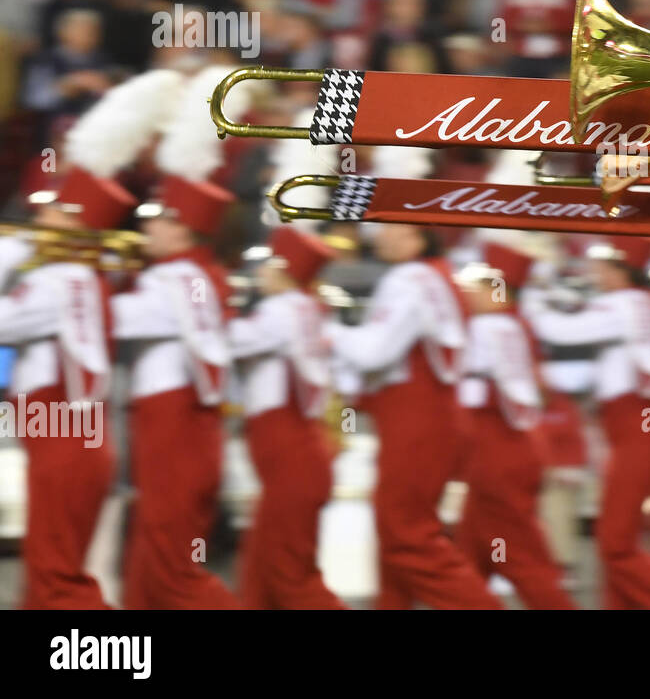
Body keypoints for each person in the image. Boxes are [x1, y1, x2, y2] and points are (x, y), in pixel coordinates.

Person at [326, 224, 500, 610]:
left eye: (393, 229)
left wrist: (330, 331)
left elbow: (373, 353)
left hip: (416, 422)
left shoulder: (410, 279)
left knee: (406, 534)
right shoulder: (436, 275)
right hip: (431, 417)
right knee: (399, 537)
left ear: (418, 237)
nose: (379, 236)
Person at [524, 240, 650, 609]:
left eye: (602, 267)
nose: (594, 274)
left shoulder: (624, 303)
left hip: (636, 432)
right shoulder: (641, 303)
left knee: (615, 541)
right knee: (623, 539)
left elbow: (560, 331)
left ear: (622, 269)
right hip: (640, 430)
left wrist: (534, 292)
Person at [0, 168, 134, 609]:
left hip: (64, 439)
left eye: (57, 212)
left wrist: (8, 251)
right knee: (46, 575)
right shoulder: (82, 279)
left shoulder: (60, 281)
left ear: (80, 225)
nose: (42, 218)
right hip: (68, 439)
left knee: (56, 580)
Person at [112, 173, 242, 609]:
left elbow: (108, 319)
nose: (146, 228)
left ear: (181, 228)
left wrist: (77, 273)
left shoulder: (175, 281)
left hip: (175, 435)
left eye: (157, 220)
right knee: (149, 565)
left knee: (171, 572)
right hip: (182, 433)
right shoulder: (194, 276)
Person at [452, 243, 576, 609]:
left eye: (471, 290)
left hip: (498, 453)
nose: (464, 297)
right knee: (472, 552)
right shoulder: (513, 325)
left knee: (520, 557)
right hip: (509, 449)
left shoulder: (489, 327)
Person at [229, 227, 344, 610]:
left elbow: (230, 339)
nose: (260, 272)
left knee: (289, 576)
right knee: (260, 571)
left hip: (292, 460)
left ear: (284, 270)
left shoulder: (282, 310)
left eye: (268, 265)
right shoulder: (306, 308)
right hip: (299, 458)